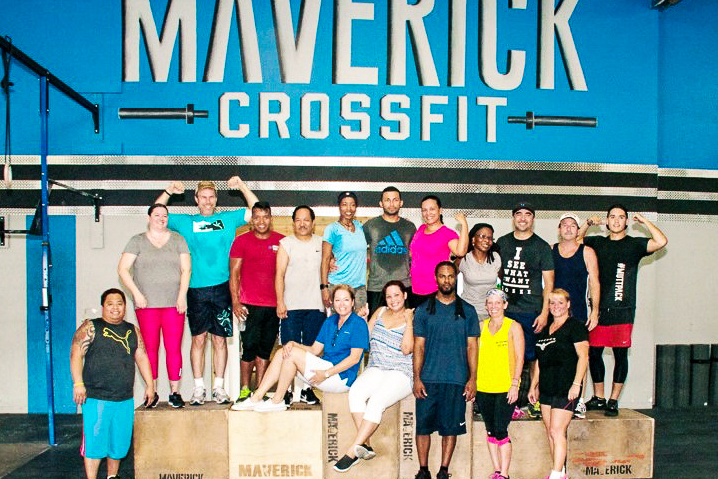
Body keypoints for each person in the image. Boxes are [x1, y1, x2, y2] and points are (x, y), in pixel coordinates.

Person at [156, 177, 258, 405]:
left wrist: (242, 186)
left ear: (216, 199)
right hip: (195, 288)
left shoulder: (228, 219)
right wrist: (169, 190)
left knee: (220, 339)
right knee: (199, 339)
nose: (208, 201)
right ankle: (199, 389)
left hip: (222, 287)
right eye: (203, 197)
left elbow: (256, 209)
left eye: (211, 197)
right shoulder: (186, 222)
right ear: (196, 199)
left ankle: (219, 388)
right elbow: (156, 213)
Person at [579, 204, 668, 416]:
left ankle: (613, 400)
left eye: (621, 217)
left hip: (623, 309)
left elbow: (661, 241)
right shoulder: (597, 243)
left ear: (626, 221)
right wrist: (588, 223)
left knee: (620, 354)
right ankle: (599, 397)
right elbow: (576, 241)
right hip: (599, 309)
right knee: (594, 353)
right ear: (607, 221)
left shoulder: (634, 245)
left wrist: (645, 222)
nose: (616, 220)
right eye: (612, 217)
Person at [232, 285, 369, 412]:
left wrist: (326, 373)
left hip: (340, 378)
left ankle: (277, 400)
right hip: (324, 369)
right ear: (333, 302)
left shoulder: (358, 324)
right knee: (283, 352)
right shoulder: (330, 321)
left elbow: (354, 359)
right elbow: (315, 350)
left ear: (352, 302)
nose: (342, 304)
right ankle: (257, 397)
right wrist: (293, 343)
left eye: (346, 300)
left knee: (291, 355)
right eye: (338, 300)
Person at [70, 289, 154, 479]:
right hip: (96, 398)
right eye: (110, 304)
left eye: (119, 303)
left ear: (125, 307)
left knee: (119, 444)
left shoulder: (132, 330)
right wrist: (78, 383)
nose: (115, 308)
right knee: (94, 445)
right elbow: (76, 353)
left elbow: (141, 357)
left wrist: (150, 385)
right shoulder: (91, 327)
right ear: (103, 307)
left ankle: (112, 476)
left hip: (124, 398)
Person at [334, 280, 415, 473]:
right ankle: (366, 445)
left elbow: (407, 349)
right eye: (389, 296)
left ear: (405, 295)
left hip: (401, 371)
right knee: (355, 392)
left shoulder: (413, 316)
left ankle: (352, 452)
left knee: (376, 401)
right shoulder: (380, 312)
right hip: (377, 366)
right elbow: (365, 338)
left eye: (397, 295)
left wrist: (409, 322)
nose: (393, 300)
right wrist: (362, 320)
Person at [117, 203, 191, 408]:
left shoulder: (178, 240)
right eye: (157, 215)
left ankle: (175, 392)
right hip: (146, 305)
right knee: (150, 348)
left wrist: (182, 296)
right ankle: (152, 391)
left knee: (173, 348)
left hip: (173, 305)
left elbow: (186, 270)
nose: (161, 218)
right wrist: (136, 293)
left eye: (164, 215)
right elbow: (122, 269)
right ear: (149, 218)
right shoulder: (137, 241)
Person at [412, 262, 479, 479]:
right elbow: (418, 346)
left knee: (450, 429)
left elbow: (472, 347)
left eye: (450, 276)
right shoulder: (423, 310)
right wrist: (417, 378)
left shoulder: (468, 311)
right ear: (436, 278)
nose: (447, 280)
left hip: (456, 379)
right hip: (428, 379)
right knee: (423, 427)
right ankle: (423, 471)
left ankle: (443, 470)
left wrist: (473, 379)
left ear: (456, 278)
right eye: (442, 276)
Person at [496, 202, 554, 415]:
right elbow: (496, 274)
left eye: (527, 214)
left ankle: (532, 400)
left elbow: (549, 283)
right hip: (508, 311)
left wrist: (545, 312)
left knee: (533, 357)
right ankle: (509, 402)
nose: (522, 218)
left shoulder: (542, 246)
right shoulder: (502, 242)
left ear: (533, 218)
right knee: (508, 357)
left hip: (531, 311)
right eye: (518, 214)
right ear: (513, 217)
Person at [529, 289, 589, 479]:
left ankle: (555, 475)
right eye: (552, 303)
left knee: (557, 430)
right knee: (550, 432)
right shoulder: (545, 329)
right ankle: (561, 471)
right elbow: (540, 361)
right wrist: (533, 385)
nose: (556, 306)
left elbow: (583, 357)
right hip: (547, 387)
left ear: (568, 304)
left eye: (560, 302)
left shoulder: (576, 327)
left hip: (566, 387)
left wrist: (576, 384)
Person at [229, 201, 284, 403]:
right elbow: (234, 274)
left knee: (265, 349)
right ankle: (245, 389)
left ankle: (260, 389)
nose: (261, 221)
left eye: (265, 217)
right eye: (257, 217)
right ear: (252, 220)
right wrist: (236, 302)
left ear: (271, 218)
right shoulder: (241, 241)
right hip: (249, 305)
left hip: (273, 306)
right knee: (249, 348)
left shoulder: (282, 241)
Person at [275, 205, 325, 406]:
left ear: (313, 223)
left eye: (306, 220)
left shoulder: (322, 243)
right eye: (298, 220)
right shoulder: (286, 244)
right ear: (293, 222)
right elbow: (279, 274)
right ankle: (286, 391)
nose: (302, 224)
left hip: (316, 305)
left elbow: (329, 267)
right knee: (288, 349)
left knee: (312, 350)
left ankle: (306, 389)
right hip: (291, 306)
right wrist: (280, 301)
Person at [552, 212, 600, 418]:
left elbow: (595, 282)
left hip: (578, 312)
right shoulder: (551, 250)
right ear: (559, 229)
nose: (569, 228)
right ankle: (554, 398)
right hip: (554, 312)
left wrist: (595, 311)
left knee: (580, 356)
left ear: (578, 230)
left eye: (573, 225)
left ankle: (579, 400)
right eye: (565, 225)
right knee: (554, 356)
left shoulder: (587, 252)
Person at [475, 289, 524, 479]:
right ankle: (497, 471)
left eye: (498, 302)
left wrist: (515, 384)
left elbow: (520, 358)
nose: (493, 306)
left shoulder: (513, 327)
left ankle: (505, 473)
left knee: (501, 430)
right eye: (490, 303)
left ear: (505, 305)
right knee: (490, 430)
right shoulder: (481, 327)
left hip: (505, 387)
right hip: (483, 386)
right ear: (486, 306)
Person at [363, 187, 417, 317]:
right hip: (377, 287)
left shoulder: (409, 227)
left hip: (403, 286)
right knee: (374, 325)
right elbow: (355, 247)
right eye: (387, 200)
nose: (391, 204)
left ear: (401, 203)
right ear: (381, 203)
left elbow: (416, 253)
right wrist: (332, 259)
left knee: (405, 325)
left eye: (395, 200)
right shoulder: (371, 225)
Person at [409, 195, 468, 307]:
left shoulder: (447, 233)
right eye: (424, 210)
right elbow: (413, 253)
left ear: (440, 210)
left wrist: (464, 225)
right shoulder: (421, 229)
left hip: (434, 291)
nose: (428, 213)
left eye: (432, 209)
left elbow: (461, 252)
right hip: (415, 290)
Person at [321, 192, 368, 315]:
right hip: (338, 286)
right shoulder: (332, 229)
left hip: (359, 287)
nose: (348, 209)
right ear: (339, 206)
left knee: (358, 323)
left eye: (352, 205)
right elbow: (325, 259)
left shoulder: (360, 227)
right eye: (344, 204)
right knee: (339, 324)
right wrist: (324, 288)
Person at [456, 223, 502, 319]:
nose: (487, 240)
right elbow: (449, 277)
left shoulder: (496, 258)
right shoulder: (464, 258)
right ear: (473, 239)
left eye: (490, 238)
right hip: (468, 312)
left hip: (491, 312)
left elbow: (503, 282)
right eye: (482, 236)